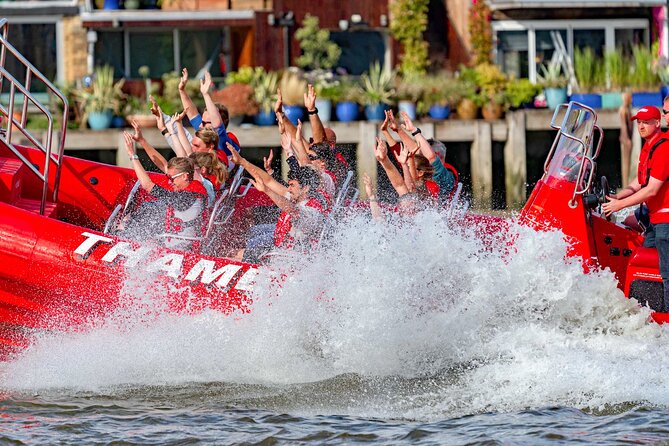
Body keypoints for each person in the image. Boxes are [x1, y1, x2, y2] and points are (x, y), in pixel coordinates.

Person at [602, 105, 669, 311]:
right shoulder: (648, 147)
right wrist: (617, 196)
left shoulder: (664, 148)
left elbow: (651, 190)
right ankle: (647, 310)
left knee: (666, 272)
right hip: (654, 221)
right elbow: (640, 182)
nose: (641, 126)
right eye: (638, 122)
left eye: (646, 122)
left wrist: (618, 205)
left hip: (665, 222)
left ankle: (665, 317)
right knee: (643, 262)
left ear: (657, 123)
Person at [123, 132, 208, 251]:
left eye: (172, 179)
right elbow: (163, 165)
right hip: (171, 242)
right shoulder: (190, 189)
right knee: (147, 208)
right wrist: (142, 141)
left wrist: (132, 155)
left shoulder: (188, 197)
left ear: (184, 176)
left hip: (181, 250)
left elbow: (147, 186)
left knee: (145, 214)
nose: (169, 182)